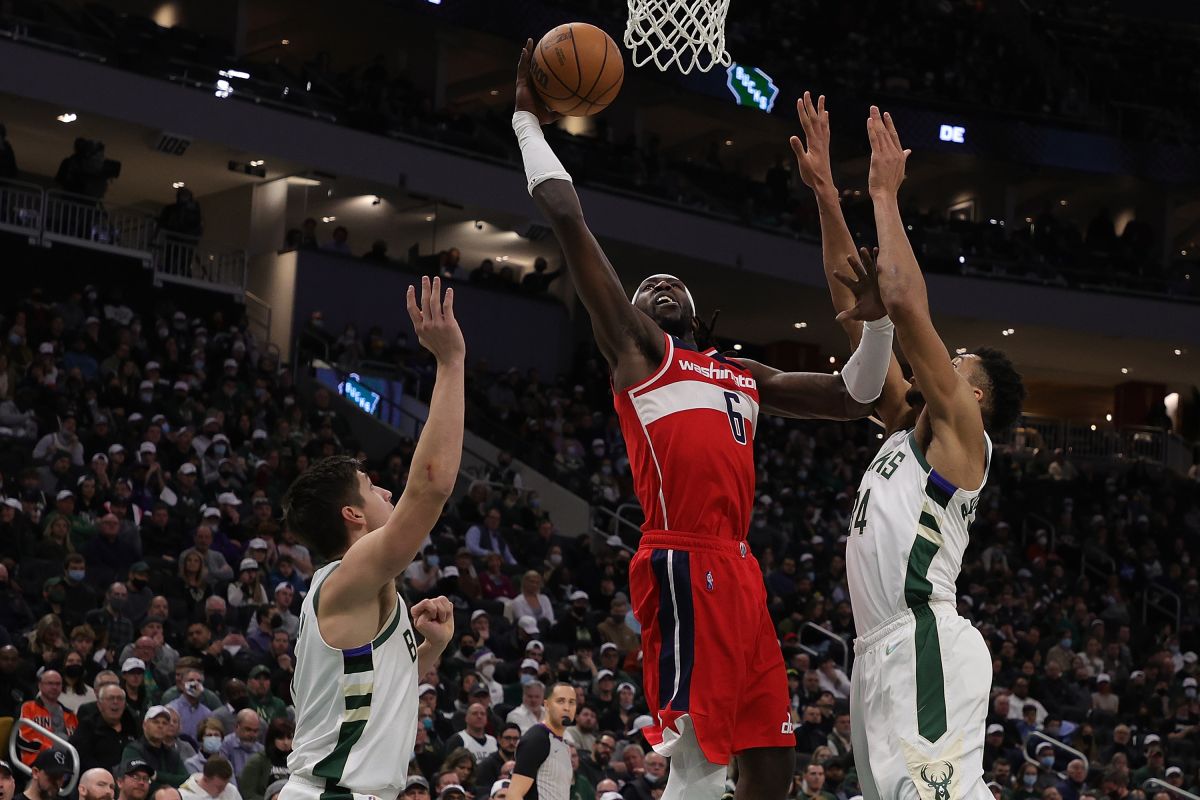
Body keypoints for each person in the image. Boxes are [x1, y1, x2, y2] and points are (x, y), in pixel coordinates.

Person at [512, 47, 894, 800]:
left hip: (740, 570)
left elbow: (858, 398)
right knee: (698, 760)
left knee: (772, 765)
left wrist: (876, 323)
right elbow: (566, 213)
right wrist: (528, 118)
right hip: (682, 557)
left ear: (697, 313)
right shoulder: (639, 354)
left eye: (668, 286)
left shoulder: (741, 374)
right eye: (645, 286)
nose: (655, 289)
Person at [812, 103, 1025, 800]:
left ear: (979, 398)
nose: (947, 364)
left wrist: (882, 194)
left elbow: (902, 306)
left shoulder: (964, 435)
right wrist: (823, 195)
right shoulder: (907, 427)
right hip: (877, 651)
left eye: (959, 364)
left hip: (923, 638)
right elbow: (862, 308)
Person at [278, 277, 462, 800]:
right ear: (353, 514)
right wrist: (451, 362)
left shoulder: (356, 594)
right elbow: (430, 488)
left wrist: (429, 650)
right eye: (372, 486)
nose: (386, 488)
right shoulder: (347, 578)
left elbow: (374, 698)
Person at [506, 683, 577, 800]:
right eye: (560, 701)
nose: (567, 708)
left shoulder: (564, 745)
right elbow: (513, 795)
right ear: (547, 705)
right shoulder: (536, 739)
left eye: (571, 702)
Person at [71, 684, 138, 772]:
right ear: (99, 704)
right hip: (98, 778)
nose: (115, 702)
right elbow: (83, 759)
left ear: (125, 704)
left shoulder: (132, 724)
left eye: (120, 698)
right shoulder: (88, 725)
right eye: (110, 698)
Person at [17, 670, 79, 766]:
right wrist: (50, 748)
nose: (54, 687)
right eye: (50, 683)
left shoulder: (70, 714)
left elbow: (77, 743)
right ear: (40, 685)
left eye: (58, 684)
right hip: (36, 762)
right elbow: (23, 740)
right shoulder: (28, 707)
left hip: (66, 763)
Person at [121, 706, 189, 787]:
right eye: (156, 722)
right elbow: (140, 783)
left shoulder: (173, 754)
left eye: (165, 723)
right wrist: (172, 780)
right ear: (145, 725)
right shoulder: (133, 750)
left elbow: (186, 780)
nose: (160, 726)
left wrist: (156, 775)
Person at [237, 719, 292, 800]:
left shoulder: (295, 760)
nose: (286, 742)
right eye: (281, 738)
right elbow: (247, 794)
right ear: (272, 739)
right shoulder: (257, 761)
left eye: (289, 737)